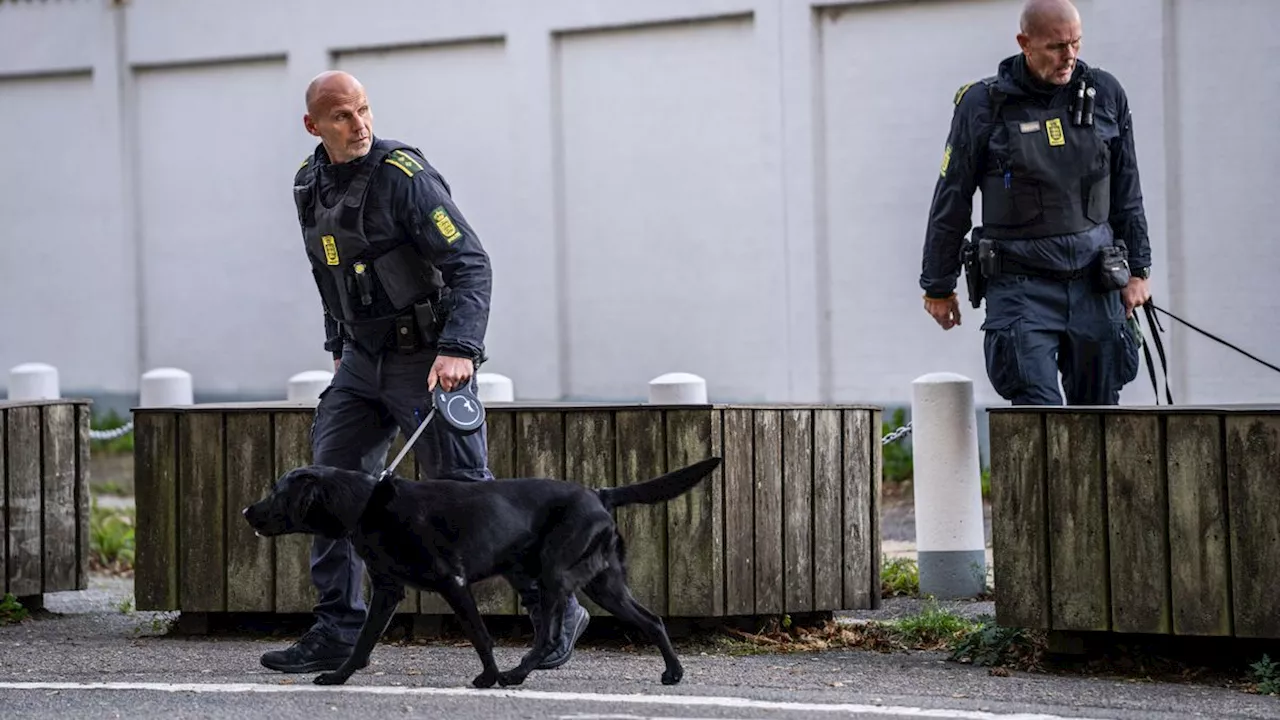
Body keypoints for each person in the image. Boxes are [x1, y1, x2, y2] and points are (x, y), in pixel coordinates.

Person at [260, 70, 589, 675]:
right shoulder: (310, 184)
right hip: (360, 362)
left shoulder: (403, 177)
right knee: (331, 489)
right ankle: (338, 628)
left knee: (467, 496)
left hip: (427, 359)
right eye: (341, 116)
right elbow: (328, 272)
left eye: (363, 110)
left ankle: (556, 607)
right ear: (313, 125)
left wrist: (460, 346)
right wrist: (339, 345)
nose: (358, 124)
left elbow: (470, 262)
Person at [919, 0, 1151, 406]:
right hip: (1021, 288)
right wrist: (938, 285)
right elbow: (952, 197)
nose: (1069, 56)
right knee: (1038, 422)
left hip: (1095, 284)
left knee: (1100, 423)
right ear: (1024, 43)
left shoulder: (1105, 93)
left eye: (1076, 44)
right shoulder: (983, 105)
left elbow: (1127, 189)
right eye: (1056, 47)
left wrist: (1138, 270)